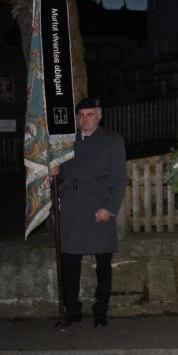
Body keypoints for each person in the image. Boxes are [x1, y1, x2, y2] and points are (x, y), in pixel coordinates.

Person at [50, 97, 126, 328]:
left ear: (99, 116)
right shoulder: (66, 143)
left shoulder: (112, 141)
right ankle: (72, 309)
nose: (85, 119)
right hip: (72, 207)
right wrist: (54, 172)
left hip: (98, 206)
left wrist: (109, 208)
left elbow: (118, 179)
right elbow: (61, 174)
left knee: (102, 262)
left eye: (90, 114)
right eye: (81, 115)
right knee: (69, 262)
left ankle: (100, 309)